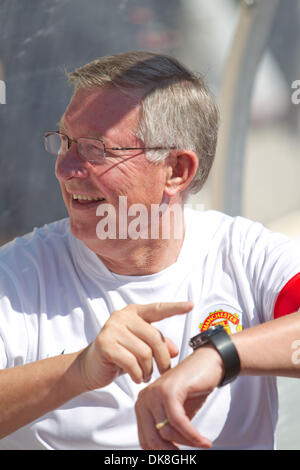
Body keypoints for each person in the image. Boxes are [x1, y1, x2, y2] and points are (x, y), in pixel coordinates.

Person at [1, 50, 300, 451]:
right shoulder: (18, 276)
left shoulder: (242, 254)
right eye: (66, 141)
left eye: (95, 148)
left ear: (176, 170)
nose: (64, 168)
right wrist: (79, 370)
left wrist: (219, 356)